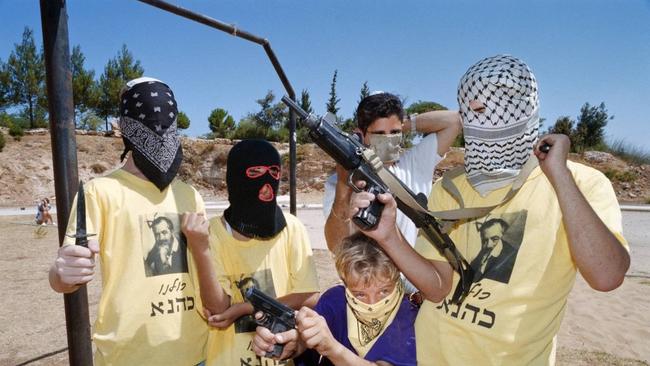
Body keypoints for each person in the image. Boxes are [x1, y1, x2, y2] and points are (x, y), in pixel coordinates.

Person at [349, 55, 630, 365]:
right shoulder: (449, 187)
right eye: (470, 110)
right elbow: (439, 288)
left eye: (487, 109)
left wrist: (559, 176)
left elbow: (606, 276)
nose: (478, 120)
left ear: (526, 107)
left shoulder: (580, 183)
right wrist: (388, 236)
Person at [48, 77, 208, 365]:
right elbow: (65, 275)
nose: (158, 125)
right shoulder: (98, 192)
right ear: (125, 125)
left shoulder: (190, 195)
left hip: (195, 350)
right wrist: (60, 274)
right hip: (127, 355)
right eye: (148, 112)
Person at [181, 139, 320, 366]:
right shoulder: (210, 235)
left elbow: (310, 296)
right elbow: (218, 310)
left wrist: (246, 307)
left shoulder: (291, 228)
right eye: (255, 172)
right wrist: (200, 249)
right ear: (235, 179)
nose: (266, 184)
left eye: (273, 172)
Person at [323, 92, 461, 292]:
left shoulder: (413, 164)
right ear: (362, 135)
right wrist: (344, 188)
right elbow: (335, 244)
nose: (388, 139)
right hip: (372, 291)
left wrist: (405, 123)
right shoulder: (341, 181)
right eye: (379, 133)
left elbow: (454, 121)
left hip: (417, 288)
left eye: (394, 132)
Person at [253, 232, 418, 366]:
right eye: (360, 294)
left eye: (384, 291)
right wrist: (288, 342)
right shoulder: (336, 300)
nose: (372, 303)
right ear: (346, 285)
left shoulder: (410, 315)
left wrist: (332, 348)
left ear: (397, 279)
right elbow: (305, 341)